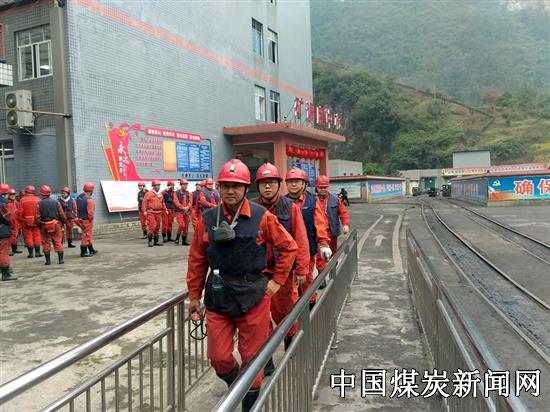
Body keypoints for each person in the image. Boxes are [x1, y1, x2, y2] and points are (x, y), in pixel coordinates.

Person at [186, 159, 298, 411]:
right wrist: (194, 295)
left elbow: (289, 247)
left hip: (253, 296)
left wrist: (277, 281)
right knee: (218, 356)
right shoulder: (208, 219)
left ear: (246, 188)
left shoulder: (261, 217)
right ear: (219, 187)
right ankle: (237, 381)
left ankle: (250, 399)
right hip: (219, 295)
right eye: (225, 185)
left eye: (236, 186)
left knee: (252, 356)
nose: (230, 191)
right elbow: (197, 260)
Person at [254, 163, 310, 374]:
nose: (267, 187)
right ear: (258, 186)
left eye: (271, 183)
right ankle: (266, 360)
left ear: (279, 185)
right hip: (257, 273)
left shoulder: (290, 208)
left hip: (283, 273)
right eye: (263, 183)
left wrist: (302, 269)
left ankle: (291, 346)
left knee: (285, 314)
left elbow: (301, 239)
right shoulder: (251, 208)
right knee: (259, 319)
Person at [284, 167, 332, 308]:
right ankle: (294, 308)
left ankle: (311, 304)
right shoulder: (282, 202)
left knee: (306, 279)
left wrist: (323, 244)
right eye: (290, 182)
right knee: (289, 282)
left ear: (304, 184)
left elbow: (320, 223)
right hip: (286, 249)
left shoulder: (312, 201)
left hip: (307, 249)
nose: (293, 184)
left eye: (297, 181)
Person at [315, 176, 350, 273]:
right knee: (321, 255)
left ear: (328, 187)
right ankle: (321, 277)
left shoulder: (336, 199)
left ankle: (333, 273)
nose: (323, 189)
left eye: (325, 187)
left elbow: (343, 213)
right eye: (321, 187)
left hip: (333, 232)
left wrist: (345, 224)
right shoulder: (313, 200)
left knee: (333, 254)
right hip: (319, 234)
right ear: (317, 187)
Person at [36, 185, 67, 265]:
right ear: (50, 193)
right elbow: (62, 214)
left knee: (45, 242)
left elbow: (37, 217)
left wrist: (39, 225)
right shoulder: (56, 202)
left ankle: (48, 261)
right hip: (56, 224)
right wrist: (63, 223)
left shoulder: (39, 204)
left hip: (44, 225)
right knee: (58, 242)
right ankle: (61, 260)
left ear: (41, 194)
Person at [17, 185, 42, 258]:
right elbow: (40, 211)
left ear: (26, 191)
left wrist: (21, 220)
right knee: (37, 236)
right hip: (36, 220)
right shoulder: (38, 199)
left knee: (28, 237)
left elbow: (20, 213)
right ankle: (38, 252)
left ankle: (31, 254)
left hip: (26, 221)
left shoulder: (22, 200)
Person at [141, 180, 166, 247]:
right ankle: (150, 241)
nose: (158, 187)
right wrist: (144, 211)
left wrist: (165, 209)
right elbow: (144, 202)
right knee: (152, 226)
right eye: (157, 185)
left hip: (159, 212)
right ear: (153, 186)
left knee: (157, 226)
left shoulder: (160, 194)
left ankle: (156, 241)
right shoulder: (149, 194)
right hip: (151, 212)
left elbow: (162, 203)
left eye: (159, 185)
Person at [0, 183, 17, 281]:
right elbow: (11, 218)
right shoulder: (6, 204)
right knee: (4, 252)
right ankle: (5, 274)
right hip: (3, 231)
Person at [76, 182, 97, 257]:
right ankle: (84, 252)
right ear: (91, 191)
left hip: (80, 219)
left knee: (87, 235)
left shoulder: (79, 197)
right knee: (86, 235)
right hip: (87, 220)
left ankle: (91, 249)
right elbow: (90, 213)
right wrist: (91, 219)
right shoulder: (89, 200)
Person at [173, 178, 192, 245]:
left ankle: (184, 241)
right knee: (181, 225)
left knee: (186, 226)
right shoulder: (176, 193)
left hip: (186, 212)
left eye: (186, 185)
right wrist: (182, 207)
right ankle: (177, 238)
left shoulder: (188, 193)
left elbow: (190, 202)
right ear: (181, 185)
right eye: (184, 185)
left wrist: (188, 207)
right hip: (179, 212)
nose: (185, 186)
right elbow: (176, 201)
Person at [7, 188, 22, 256]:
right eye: (11, 194)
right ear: (8, 195)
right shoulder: (7, 202)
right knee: (10, 237)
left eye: (14, 194)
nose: (13, 196)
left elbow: (19, 211)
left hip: (16, 222)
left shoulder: (16, 202)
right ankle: (10, 250)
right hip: (10, 222)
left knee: (15, 236)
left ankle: (14, 249)